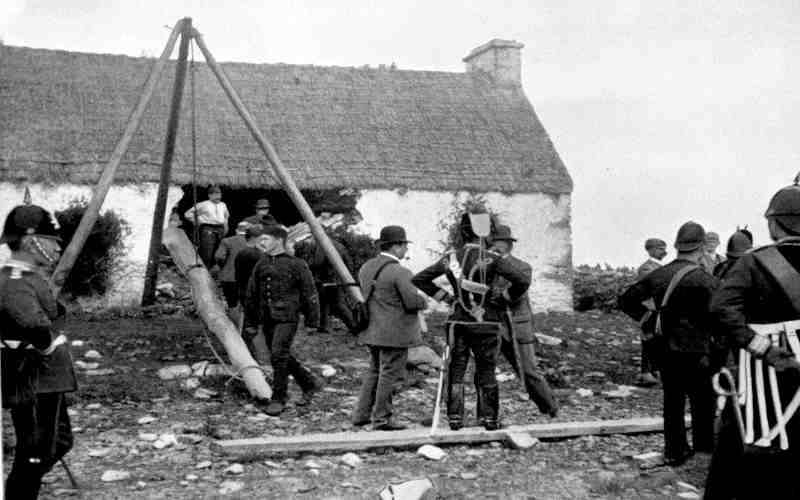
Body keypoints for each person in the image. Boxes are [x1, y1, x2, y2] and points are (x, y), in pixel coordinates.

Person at [704, 181, 800, 499]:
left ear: (774, 224)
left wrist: (762, 347)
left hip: (764, 373)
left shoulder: (754, 262)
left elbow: (720, 310)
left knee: (750, 446)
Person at [413, 212, 530, 431]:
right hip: (487, 323)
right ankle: (490, 420)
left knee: (456, 371)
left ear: (463, 232)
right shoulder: (493, 259)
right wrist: (505, 297)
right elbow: (522, 281)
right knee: (487, 370)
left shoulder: (451, 258)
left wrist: (447, 298)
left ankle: (456, 420)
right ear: (484, 233)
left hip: (458, 323)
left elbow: (419, 279)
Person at [619, 221, 718, 466]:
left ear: (677, 246)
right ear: (701, 247)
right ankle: (703, 452)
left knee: (672, 400)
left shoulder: (659, 274)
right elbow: (719, 313)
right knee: (702, 401)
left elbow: (626, 300)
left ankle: (674, 452)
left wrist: (651, 319)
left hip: (666, 348)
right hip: (699, 349)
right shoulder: (705, 279)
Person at [0, 203, 78, 499]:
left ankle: (21, 487)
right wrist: (47, 346)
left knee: (60, 440)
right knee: (34, 448)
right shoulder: (14, 281)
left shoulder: (29, 276)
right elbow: (34, 325)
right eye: (52, 242)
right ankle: (20, 493)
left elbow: (52, 310)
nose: (58, 250)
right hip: (30, 375)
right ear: (32, 242)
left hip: (46, 377)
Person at [350, 226, 427, 430]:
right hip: (395, 333)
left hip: (371, 330)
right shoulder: (400, 271)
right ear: (396, 246)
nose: (405, 251)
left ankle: (361, 415)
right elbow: (411, 303)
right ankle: (382, 418)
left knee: (374, 371)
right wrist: (424, 300)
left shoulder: (366, 267)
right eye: (404, 245)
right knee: (389, 374)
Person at [243, 224, 320, 416]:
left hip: (287, 318)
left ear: (279, 240)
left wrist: (312, 321)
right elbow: (252, 294)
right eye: (260, 239)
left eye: (265, 239)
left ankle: (279, 398)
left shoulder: (296, 264)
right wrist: (251, 323)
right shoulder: (261, 264)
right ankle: (308, 382)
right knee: (280, 355)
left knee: (278, 355)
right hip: (267, 318)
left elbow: (309, 293)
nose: (261, 242)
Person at [489, 225, 558, 417]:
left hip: (517, 324)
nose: (497, 246)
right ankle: (488, 415)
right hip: (492, 324)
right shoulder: (485, 266)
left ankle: (550, 408)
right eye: (494, 242)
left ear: (510, 246)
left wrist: (500, 296)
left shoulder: (522, 267)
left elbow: (517, 293)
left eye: (502, 243)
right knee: (485, 371)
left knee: (528, 370)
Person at [294, 234, 357, 333]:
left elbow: (317, 262)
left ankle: (355, 327)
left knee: (337, 305)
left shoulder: (323, 245)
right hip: (337, 280)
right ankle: (324, 326)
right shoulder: (340, 246)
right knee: (325, 303)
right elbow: (349, 262)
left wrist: (308, 265)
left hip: (326, 280)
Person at [635, 238, 668, 386]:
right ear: (651, 250)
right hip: (650, 309)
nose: (664, 252)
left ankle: (655, 370)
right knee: (648, 340)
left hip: (660, 309)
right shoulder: (646, 268)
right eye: (661, 249)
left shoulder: (661, 266)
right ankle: (645, 373)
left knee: (658, 341)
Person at [184, 185, 229, 268]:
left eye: (219, 194)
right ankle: (204, 270)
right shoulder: (203, 204)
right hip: (208, 228)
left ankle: (214, 271)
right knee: (207, 252)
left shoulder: (223, 205)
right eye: (215, 194)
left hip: (220, 228)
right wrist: (197, 221)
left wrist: (226, 226)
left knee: (218, 251)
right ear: (210, 195)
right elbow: (188, 214)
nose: (218, 196)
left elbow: (226, 216)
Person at [215, 221, 249, 309]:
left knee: (231, 304)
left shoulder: (227, 241)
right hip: (247, 280)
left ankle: (232, 321)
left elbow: (219, 256)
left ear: (237, 230)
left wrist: (223, 266)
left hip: (229, 278)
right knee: (246, 305)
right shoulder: (253, 243)